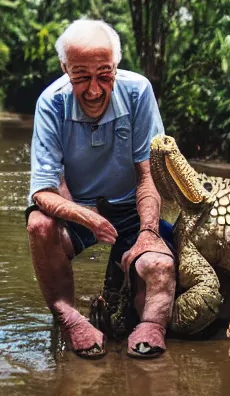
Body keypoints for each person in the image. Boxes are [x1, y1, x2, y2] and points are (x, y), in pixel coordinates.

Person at [26, 19, 176, 359]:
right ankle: (69, 316)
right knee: (38, 225)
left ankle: (152, 326)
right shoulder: (51, 102)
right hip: (77, 208)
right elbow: (42, 192)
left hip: (131, 208)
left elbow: (148, 174)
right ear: (64, 68)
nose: (94, 89)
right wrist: (87, 218)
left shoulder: (138, 91)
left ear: (116, 66)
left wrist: (149, 231)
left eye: (104, 74)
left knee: (160, 266)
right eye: (81, 76)